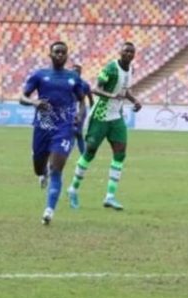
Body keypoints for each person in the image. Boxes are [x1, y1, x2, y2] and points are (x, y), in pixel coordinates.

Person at [67, 42, 142, 211]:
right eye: (126, 51)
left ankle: (110, 196)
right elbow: (96, 89)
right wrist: (112, 95)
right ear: (120, 52)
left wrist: (134, 100)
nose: (129, 54)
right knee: (90, 153)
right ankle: (73, 189)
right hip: (100, 116)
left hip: (116, 117)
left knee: (120, 153)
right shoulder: (110, 68)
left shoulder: (131, 70)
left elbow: (125, 90)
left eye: (131, 52)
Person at [20, 41, 85, 225]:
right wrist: (34, 102)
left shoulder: (73, 77)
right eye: (57, 52)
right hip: (43, 126)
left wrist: (80, 115)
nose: (60, 55)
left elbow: (82, 101)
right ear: (50, 54)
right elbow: (22, 97)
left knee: (56, 169)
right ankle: (42, 173)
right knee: (38, 168)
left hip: (64, 127)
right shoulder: (40, 75)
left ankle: (49, 211)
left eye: (63, 52)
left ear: (67, 55)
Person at [70, 64, 94, 160]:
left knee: (78, 133)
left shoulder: (85, 84)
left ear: (80, 73)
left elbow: (90, 99)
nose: (75, 73)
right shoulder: (67, 83)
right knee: (70, 132)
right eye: (73, 71)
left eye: (77, 71)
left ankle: (83, 156)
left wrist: (92, 111)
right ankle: (65, 152)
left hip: (81, 110)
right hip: (69, 110)